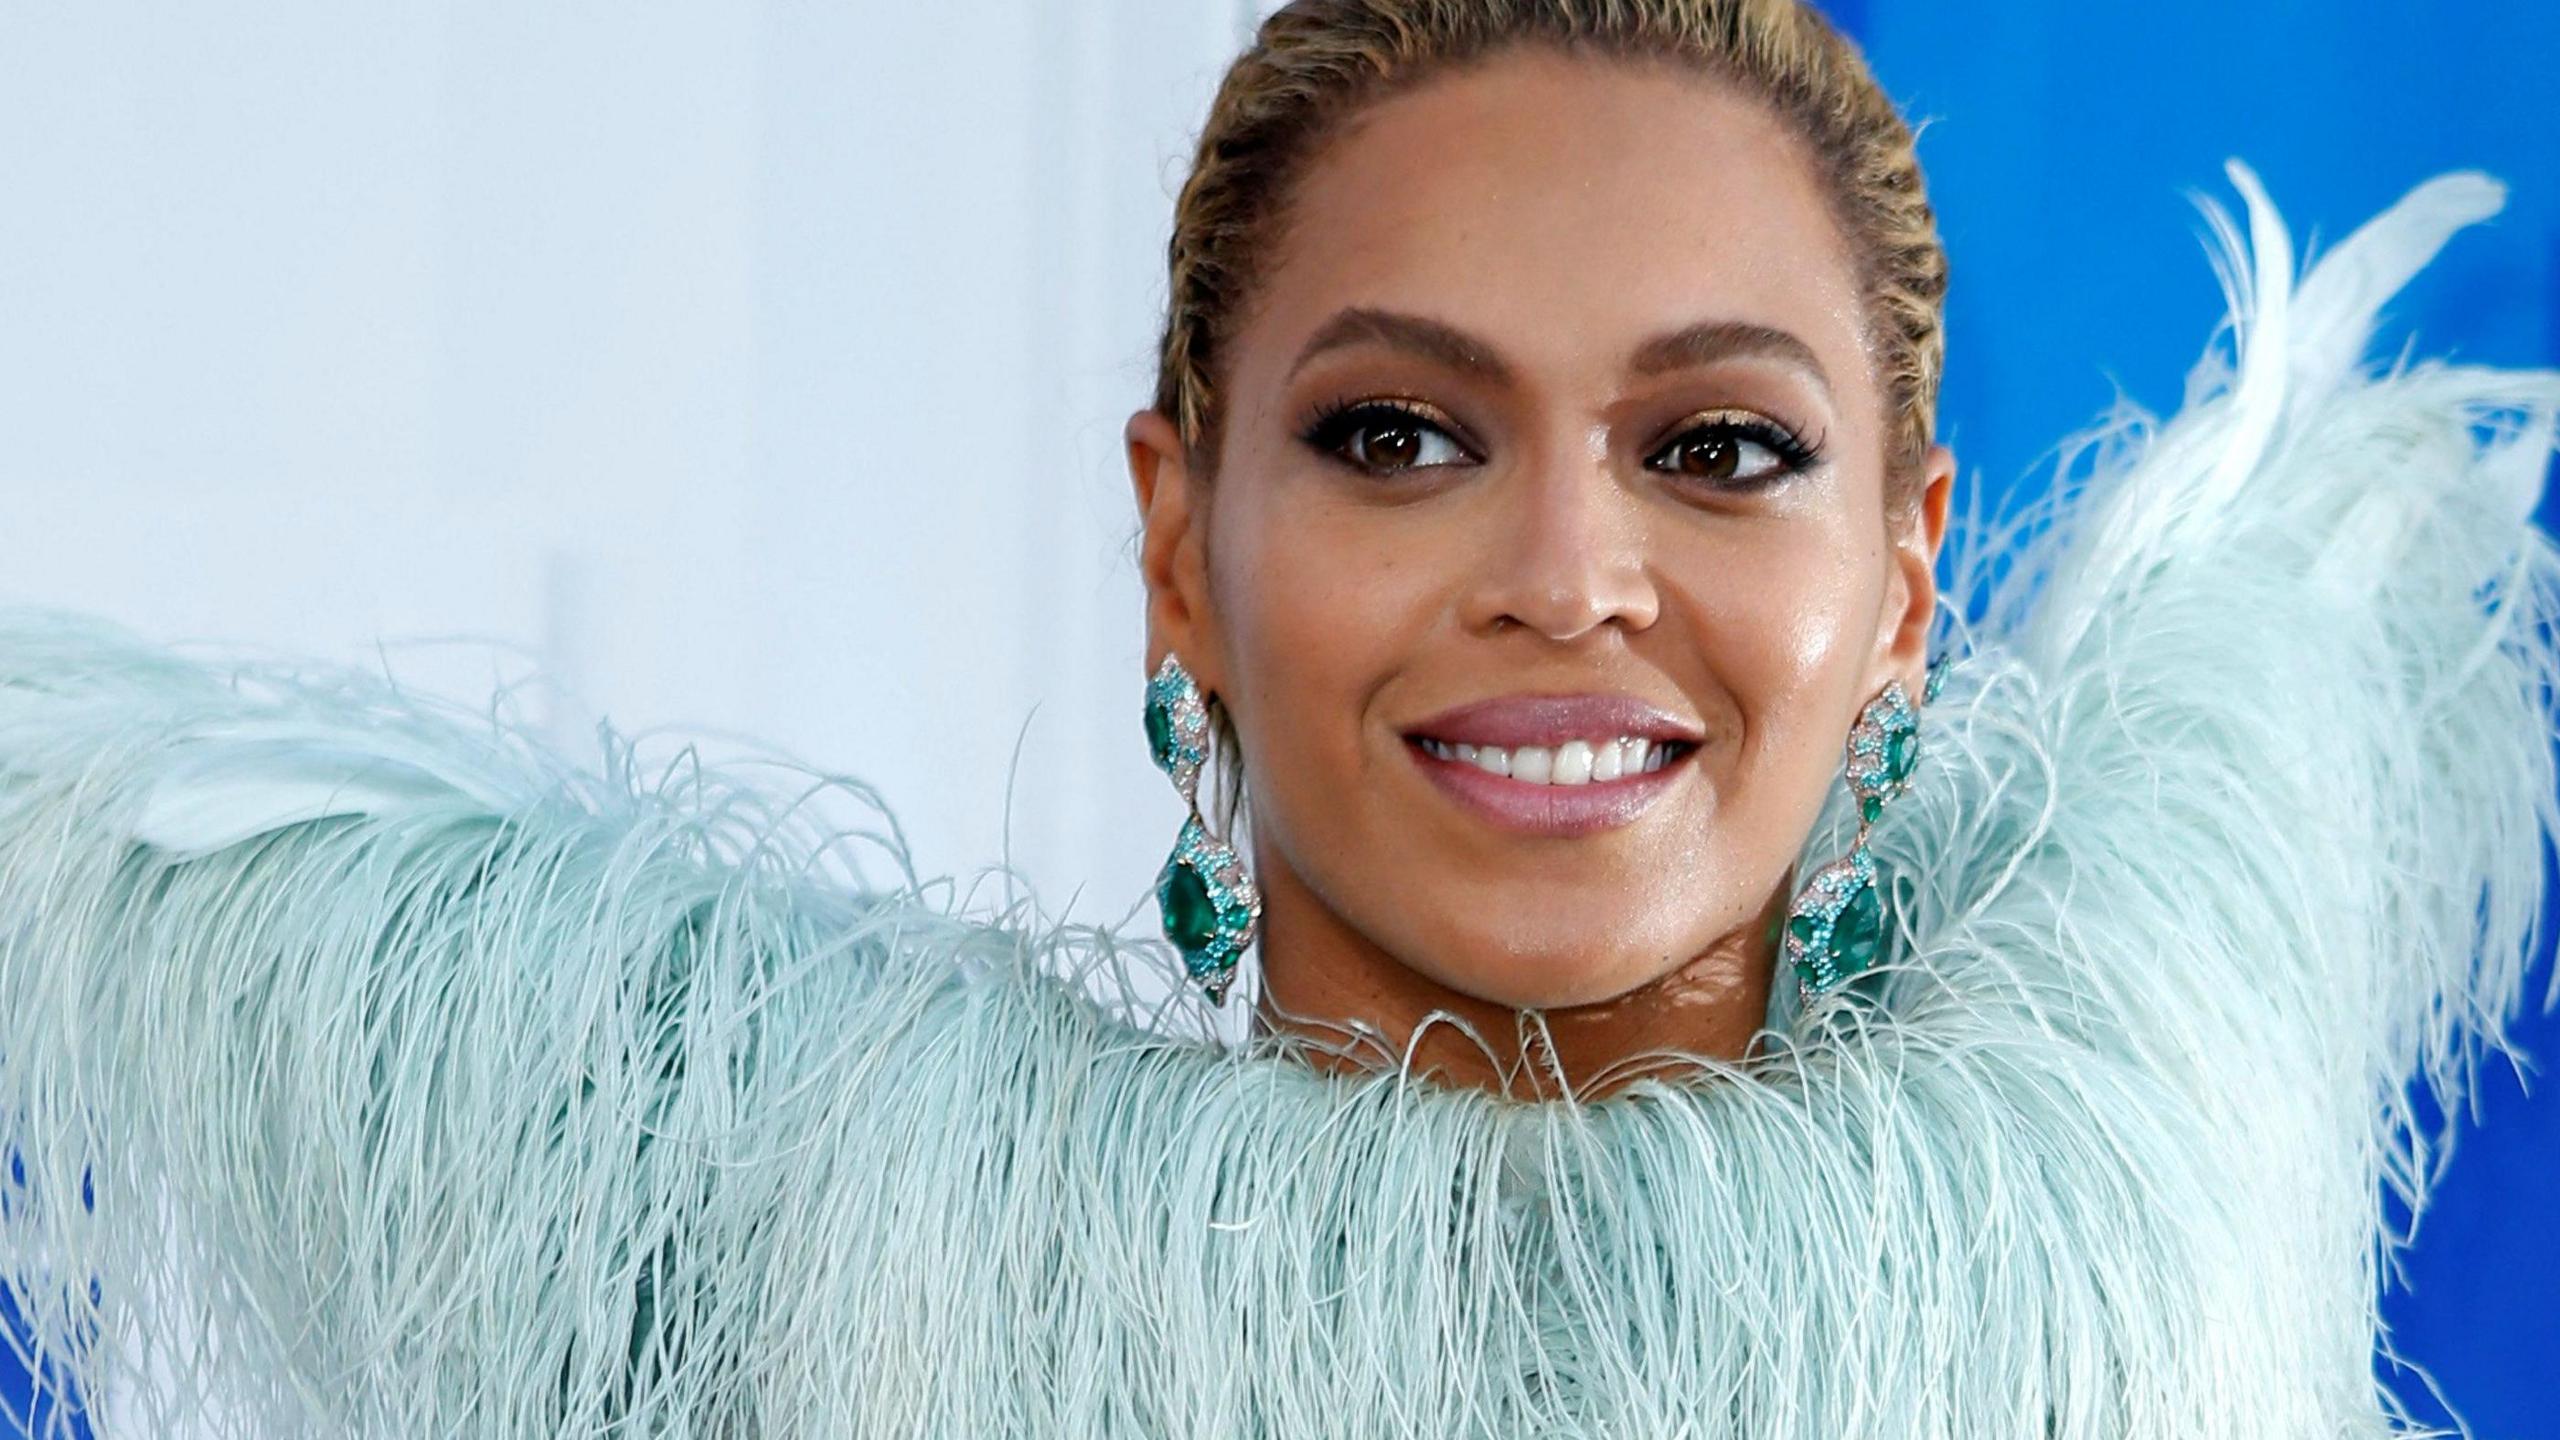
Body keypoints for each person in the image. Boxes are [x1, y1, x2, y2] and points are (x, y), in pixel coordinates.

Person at [1, 1, 2553, 1435]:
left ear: (1897, 578)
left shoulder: (2150, 1258)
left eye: (1718, 449)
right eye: (1399, 438)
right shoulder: (790, 1310)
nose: (1563, 574)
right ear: (1175, 540)